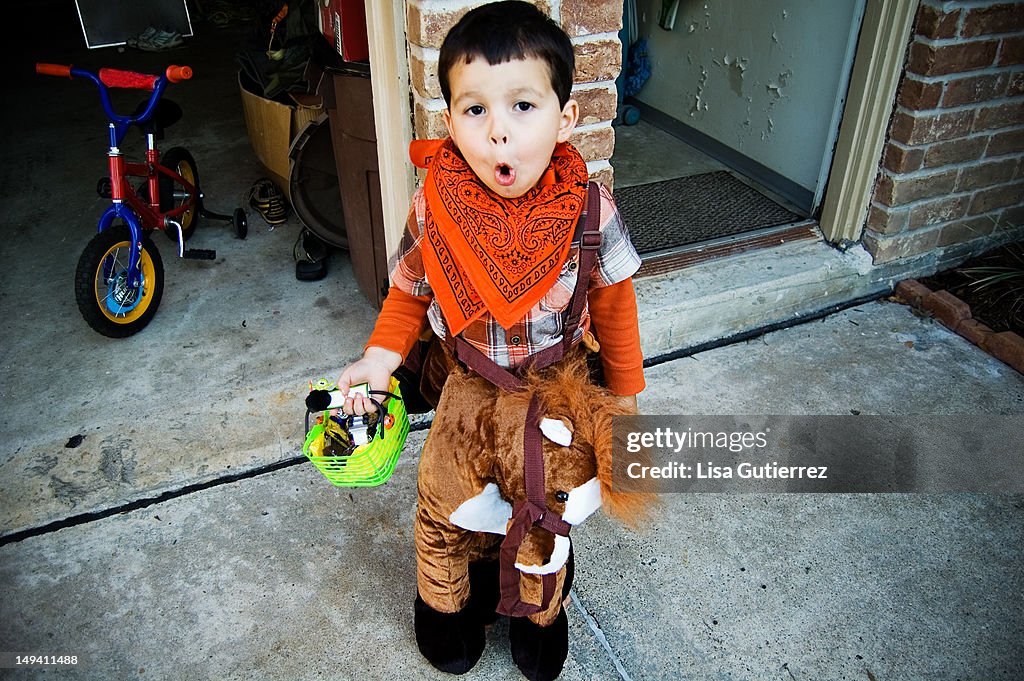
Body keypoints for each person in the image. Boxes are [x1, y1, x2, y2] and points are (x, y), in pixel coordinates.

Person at [333, 1, 645, 677]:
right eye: (475, 110)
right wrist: (382, 357)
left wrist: (623, 399)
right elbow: (410, 290)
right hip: (468, 387)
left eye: (523, 107)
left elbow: (617, 306)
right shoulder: (434, 202)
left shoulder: (591, 210)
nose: (498, 132)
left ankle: (538, 617)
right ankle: (448, 612)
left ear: (565, 118)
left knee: (543, 515)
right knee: (446, 505)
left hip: (555, 390)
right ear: (450, 122)